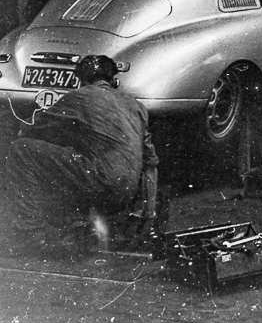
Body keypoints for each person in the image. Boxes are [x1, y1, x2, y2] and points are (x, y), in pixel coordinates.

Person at [0, 55, 159, 255]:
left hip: (100, 180)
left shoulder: (79, 96)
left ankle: (32, 236)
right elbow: (150, 163)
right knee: (78, 157)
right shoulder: (136, 106)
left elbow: (31, 130)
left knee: (21, 151)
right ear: (114, 81)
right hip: (126, 192)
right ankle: (76, 224)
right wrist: (149, 213)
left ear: (80, 80)